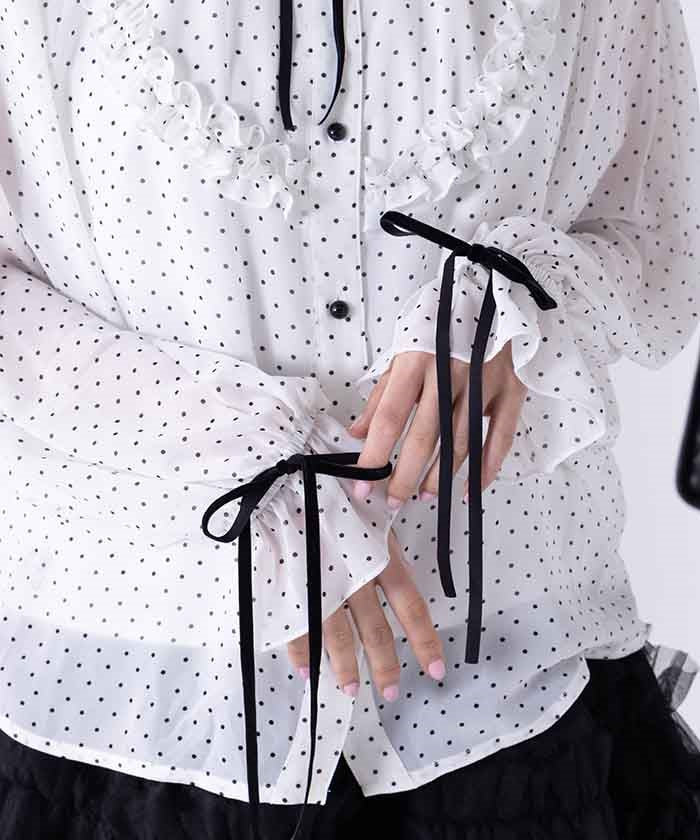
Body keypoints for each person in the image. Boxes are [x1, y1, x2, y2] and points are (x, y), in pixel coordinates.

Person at [0, 0, 699, 837]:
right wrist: (241, 442)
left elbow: (662, 243)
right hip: (133, 683)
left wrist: (512, 298)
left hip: (511, 690)